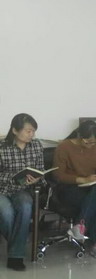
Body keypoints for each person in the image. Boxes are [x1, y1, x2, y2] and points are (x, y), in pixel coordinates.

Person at [53, 120, 96, 260]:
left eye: (95, 142)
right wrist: (83, 179)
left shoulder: (94, 146)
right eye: (88, 142)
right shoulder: (64, 147)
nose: (92, 145)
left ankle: (80, 226)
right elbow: (58, 175)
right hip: (69, 188)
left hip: (90, 188)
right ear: (79, 135)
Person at [0, 113, 44, 271]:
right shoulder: (2, 148)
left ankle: (16, 256)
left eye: (33, 131)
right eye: (28, 131)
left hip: (23, 189)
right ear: (15, 130)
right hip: (2, 189)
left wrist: (37, 179)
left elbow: (40, 170)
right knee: (6, 213)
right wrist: (13, 178)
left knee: (25, 206)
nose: (32, 135)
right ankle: (18, 245)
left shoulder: (36, 145)